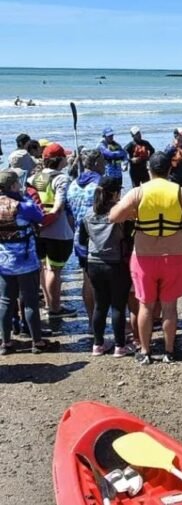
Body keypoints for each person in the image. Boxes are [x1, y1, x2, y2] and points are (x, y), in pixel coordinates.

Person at [109, 152, 182, 364]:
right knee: (169, 307)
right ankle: (169, 351)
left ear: (149, 170)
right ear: (170, 170)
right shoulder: (181, 192)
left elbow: (113, 216)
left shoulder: (138, 192)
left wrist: (133, 214)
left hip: (144, 258)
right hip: (173, 257)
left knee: (145, 305)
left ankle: (145, 352)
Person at [0, 170, 59, 354]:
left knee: (5, 301)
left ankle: (6, 343)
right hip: (26, 261)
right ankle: (37, 342)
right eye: (18, 183)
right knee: (30, 301)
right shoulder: (23, 205)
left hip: (3, 261)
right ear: (12, 186)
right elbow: (40, 217)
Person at [79, 177, 134, 356]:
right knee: (118, 305)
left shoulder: (88, 213)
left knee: (100, 305)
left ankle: (98, 344)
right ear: (115, 193)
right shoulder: (120, 214)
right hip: (116, 263)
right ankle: (120, 346)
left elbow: (82, 240)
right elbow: (129, 237)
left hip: (94, 263)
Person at [31, 143, 75, 318]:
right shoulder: (61, 179)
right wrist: (51, 217)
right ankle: (55, 308)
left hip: (37, 228)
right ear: (60, 160)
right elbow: (60, 203)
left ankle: (49, 304)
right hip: (57, 229)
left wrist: (40, 222)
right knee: (54, 270)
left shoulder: (34, 178)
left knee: (43, 266)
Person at [66, 149, 104, 326]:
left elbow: (69, 216)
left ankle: (92, 320)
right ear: (96, 163)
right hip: (98, 238)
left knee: (87, 279)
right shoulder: (99, 184)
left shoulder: (73, 184)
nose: (105, 165)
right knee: (102, 283)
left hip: (78, 237)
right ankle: (99, 323)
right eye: (103, 161)